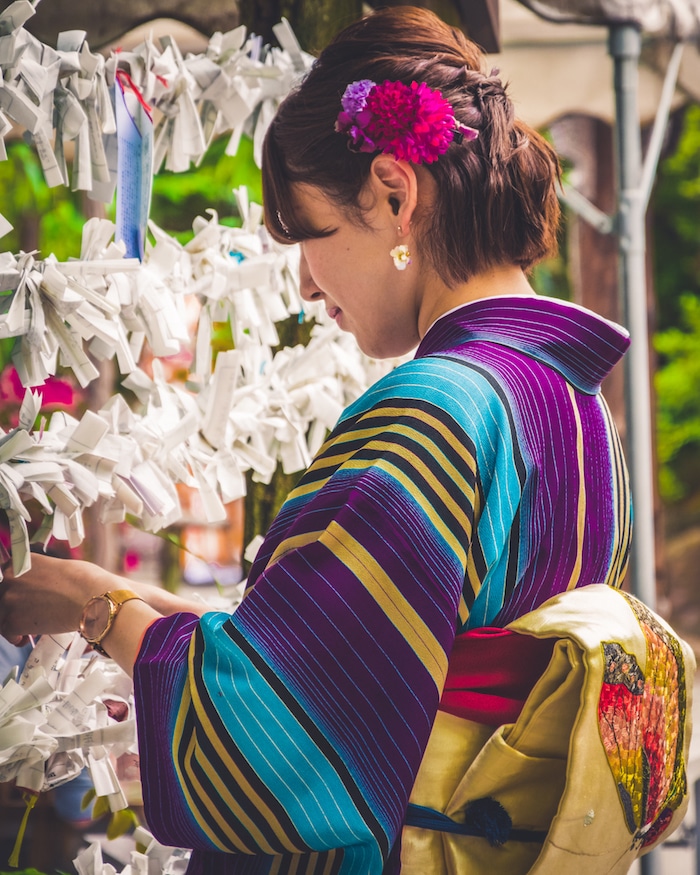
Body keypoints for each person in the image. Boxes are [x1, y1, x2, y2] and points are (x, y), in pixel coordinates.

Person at [0, 7, 693, 875]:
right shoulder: (582, 413)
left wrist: (95, 607)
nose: (303, 280)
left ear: (397, 196)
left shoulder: (436, 409)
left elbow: (289, 729)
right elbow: (372, 662)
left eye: (308, 234)